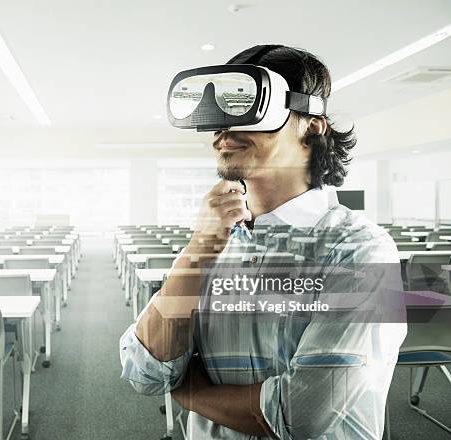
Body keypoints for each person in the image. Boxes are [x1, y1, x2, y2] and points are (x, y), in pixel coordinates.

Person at [119, 45, 406, 439]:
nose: (223, 130)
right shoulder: (211, 243)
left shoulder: (361, 250)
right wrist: (199, 248)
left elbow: (299, 415)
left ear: (312, 124)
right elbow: (144, 370)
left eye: (247, 106)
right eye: (219, 114)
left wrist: (191, 390)